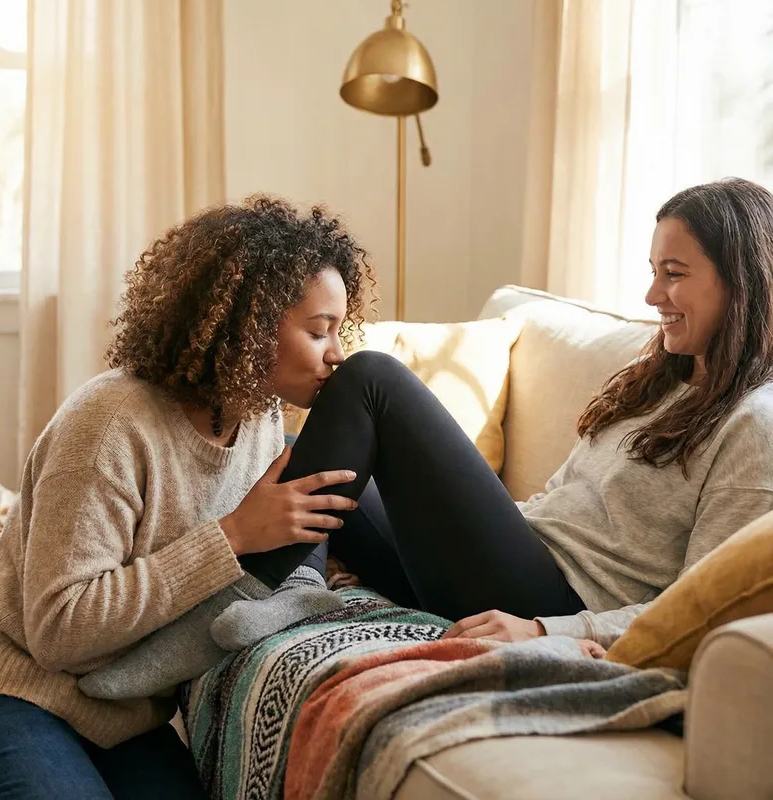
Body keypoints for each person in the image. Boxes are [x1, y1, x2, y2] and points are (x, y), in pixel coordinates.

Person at [66, 176, 773, 702]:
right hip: (507, 564)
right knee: (320, 458)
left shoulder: (755, 425)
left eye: (674, 275)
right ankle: (296, 582)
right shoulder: (659, 381)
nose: (653, 297)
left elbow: (702, 605)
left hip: (552, 599)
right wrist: (447, 523)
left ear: (742, 281)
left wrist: (545, 632)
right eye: (653, 272)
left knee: (369, 380)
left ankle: (220, 616)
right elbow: (560, 505)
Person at [0, 197, 374, 799]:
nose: (336, 352)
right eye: (319, 331)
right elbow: (58, 631)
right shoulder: (109, 424)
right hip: (13, 688)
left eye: (338, 331)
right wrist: (234, 536)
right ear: (249, 326)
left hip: (123, 715)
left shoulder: (262, 420)